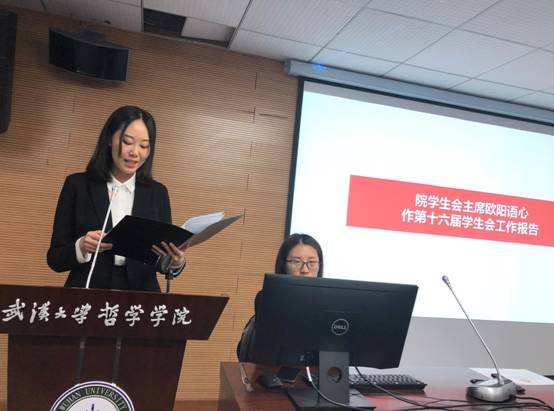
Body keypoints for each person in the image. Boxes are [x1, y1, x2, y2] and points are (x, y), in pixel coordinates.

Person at [47, 105, 186, 291]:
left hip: (142, 296)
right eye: (127, 142)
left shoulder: (157, 193)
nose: (135, 152)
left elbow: (161, 259)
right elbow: (55, 259)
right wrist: (82, 246)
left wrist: (175, 262)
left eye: (144, 146)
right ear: (109, 139)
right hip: (89, 293)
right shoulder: (78, 185)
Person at [237, 233, 323, 362]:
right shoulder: (267, 298)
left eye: (311, 262)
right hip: (274, 368)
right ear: (284, 265)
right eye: (297, 262)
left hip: (318, 369)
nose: (305, 270)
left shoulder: (329, 301)